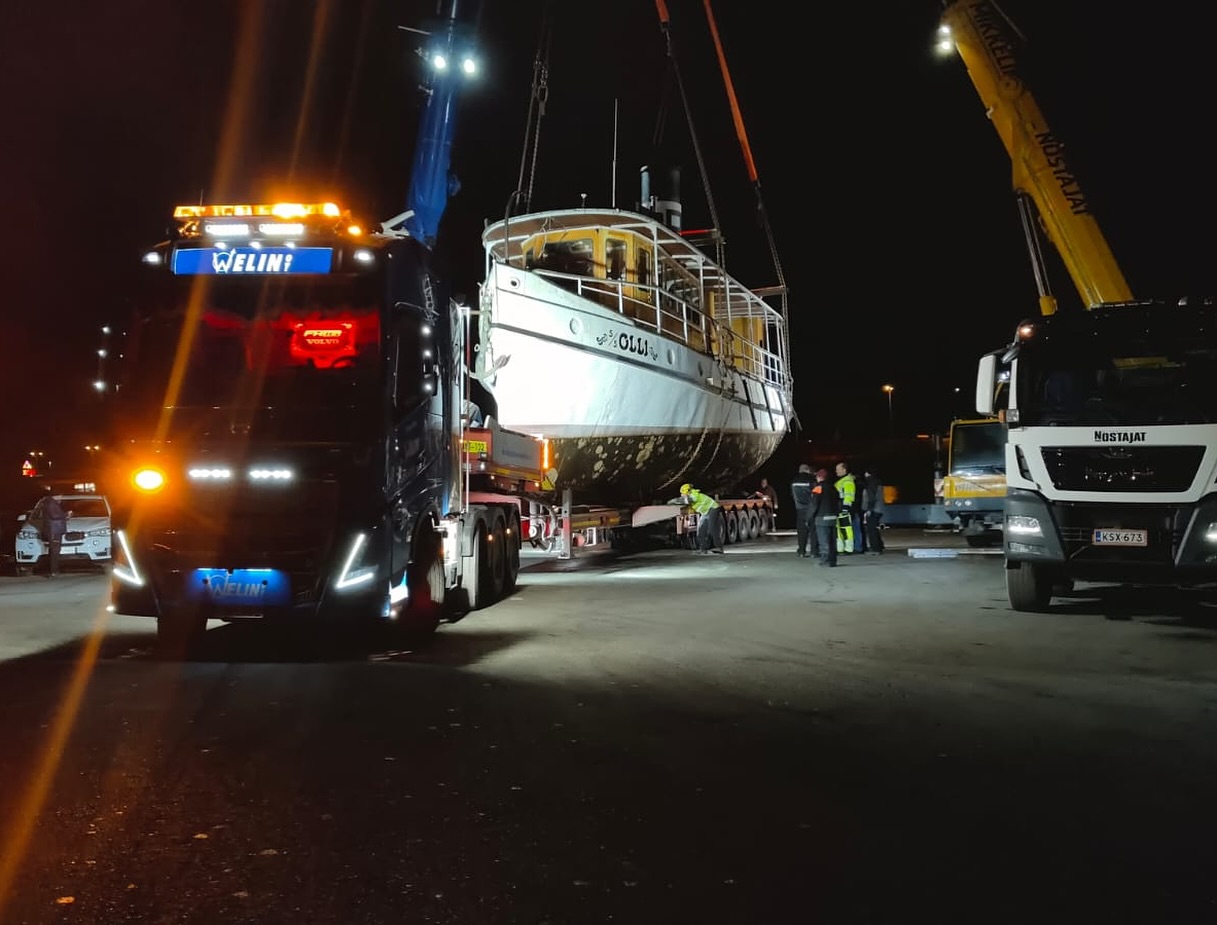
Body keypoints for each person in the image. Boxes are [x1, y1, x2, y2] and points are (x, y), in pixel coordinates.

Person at [680, 483, 725, 554]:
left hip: (713, 509)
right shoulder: (691, 495)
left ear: (688, 491)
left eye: (683, 493)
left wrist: (673, 501)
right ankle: (703, 549)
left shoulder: (694, 495)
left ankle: (719, 548)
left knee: (712, 529)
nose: (682, 495)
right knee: (701, 530)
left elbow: (688, 500)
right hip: (705, 512)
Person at [810, 468, 840, 567]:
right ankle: (833, 560)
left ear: (819, 477)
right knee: (832, 540)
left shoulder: (818, 488)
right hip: (833, 517)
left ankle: (825, 560)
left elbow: (814, 504)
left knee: (824, 540)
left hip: (821, 517)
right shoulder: (834, 488)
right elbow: (838, 502)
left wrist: (810, 516)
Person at [33, 493, 68, 577]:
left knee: (54, 550)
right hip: (54, 530)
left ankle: (54, 570)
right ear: (57, 495)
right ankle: (54, 571)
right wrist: (65, 514)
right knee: (55, 551)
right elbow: (54, 515)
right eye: (61, 495)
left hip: (55, 530)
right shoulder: (51, 503)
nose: (61, 497)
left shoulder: (50, 502)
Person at [789, 465, 817, 558]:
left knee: (801, 531)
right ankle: (814, 552)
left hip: (800, 509)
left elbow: (792, 494)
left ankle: (802, 551)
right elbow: (816, 494)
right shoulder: (812, 480)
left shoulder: (794, 481)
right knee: (813, 531)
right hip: (811, 508)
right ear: (808, 470)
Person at [834, 461, 859, 553]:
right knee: (840, 529)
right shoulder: (842, 481)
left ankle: (848, 548)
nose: (836, 471)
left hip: (844, 508)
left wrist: (846, 508)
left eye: (838, 469)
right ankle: (840, 548)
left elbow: (849, 495)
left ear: (844, 470)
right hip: (840, 508)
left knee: (846, 528)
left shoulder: (847, 481)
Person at [862, 467, 886, 555]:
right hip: (879, 508)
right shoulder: (878, 482)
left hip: (874, 509)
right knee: (874, 528)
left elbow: (871, 497)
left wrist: (869, 509)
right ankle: (879, 546)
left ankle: (875, 548)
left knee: (871, 529)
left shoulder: (871, 483)